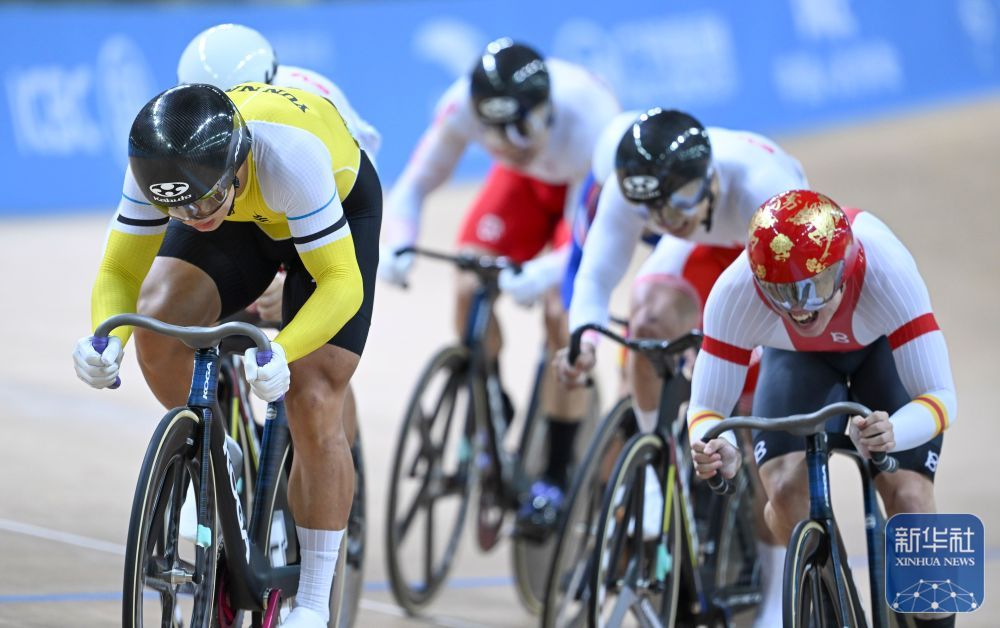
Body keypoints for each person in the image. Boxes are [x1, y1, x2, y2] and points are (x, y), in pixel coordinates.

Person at [72, 82, 381, 628]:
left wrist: (282, 350)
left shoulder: (290, 155)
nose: (193, 215)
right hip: (240, 219)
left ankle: (313, 599)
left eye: (203, 200)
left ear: (238, 164)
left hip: (331, 215)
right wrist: (107, 339)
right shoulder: (160, 167)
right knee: (159, 323)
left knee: (312, 393)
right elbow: (120, 271)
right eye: (178, 207)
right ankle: (218, 450)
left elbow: (341, 283)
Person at [556, 108, 808, 626]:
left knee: (763, 430)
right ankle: (653, 462)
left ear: (709, 177)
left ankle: (776, 594)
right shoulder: (638, 195)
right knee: (647, 327)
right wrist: (583, 339)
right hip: (701, 249)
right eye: (656, 212)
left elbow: (800, 305)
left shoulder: (764, 185)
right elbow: (595, 278)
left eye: (683, 201)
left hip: (775, 256)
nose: (670, 218)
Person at [378, 37, 620, 538]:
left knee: (560, 314)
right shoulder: (462, 107)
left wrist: (542, 275)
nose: (512, 146)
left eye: (522, 133)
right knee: (469, 279)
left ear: (546, 111)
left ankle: (555, 475)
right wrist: (398, 244)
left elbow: (585, 250)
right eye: (498, 138)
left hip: (580, 188)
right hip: (522, 186)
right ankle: (494, 398)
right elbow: (413, 185)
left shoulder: (590, 120)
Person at [689, 189, 957, 628]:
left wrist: (896, 431)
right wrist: (719, 446)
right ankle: (834, 602)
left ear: (846, 269)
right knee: (783, 493)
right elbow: (706, 406)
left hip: (881, 351)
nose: (799, 308)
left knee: (910, 500)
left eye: (815, 288)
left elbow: (941, 395)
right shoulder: (736, 290)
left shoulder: (888, 269)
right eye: (780, 292)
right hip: (796, 359)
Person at [177, 22, 380, 447]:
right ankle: (221, 453)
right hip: (246, 211)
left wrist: (287, 279)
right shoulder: (192, 119)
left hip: (319, 212)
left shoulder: (308, 100)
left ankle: (338, 454)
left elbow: (359, 190)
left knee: (319, 374)